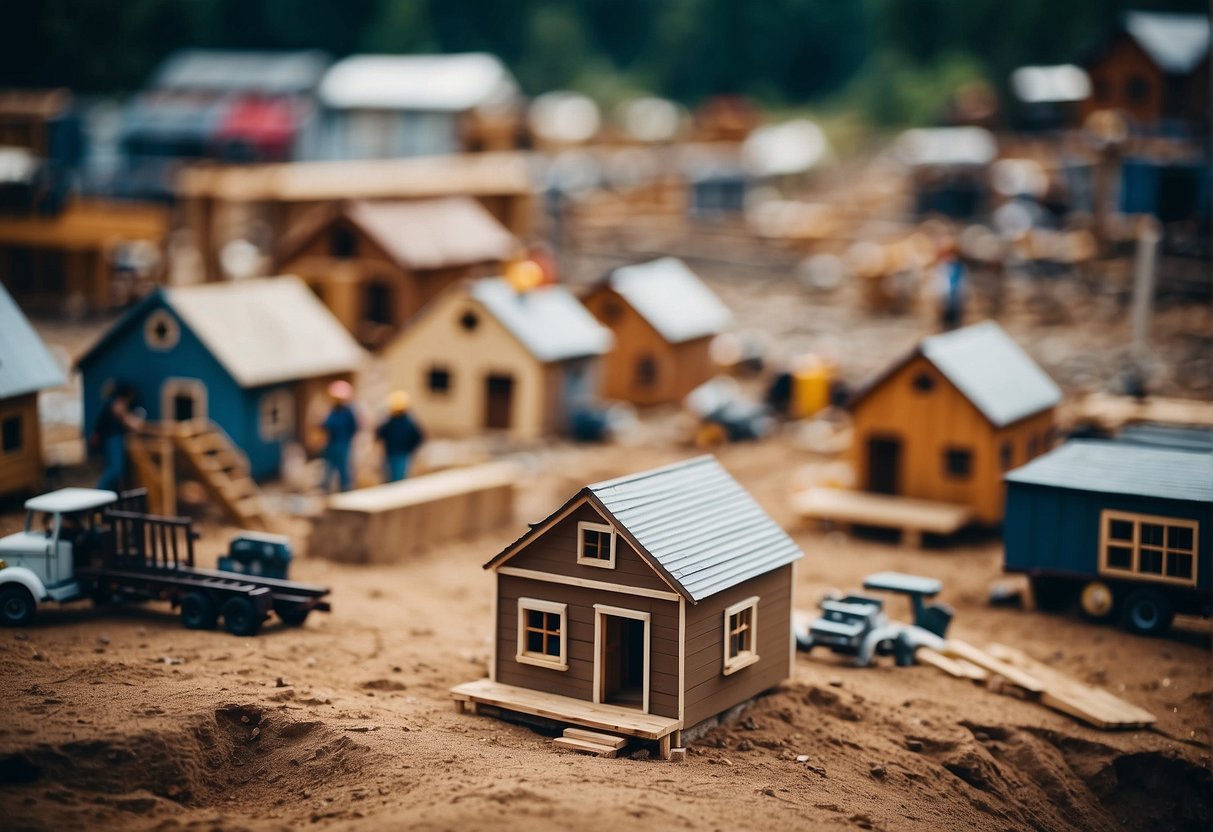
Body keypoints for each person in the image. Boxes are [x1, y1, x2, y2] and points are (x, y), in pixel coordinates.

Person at [92, 383, 144, 491]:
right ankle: (100, 492)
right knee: (115, 469)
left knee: (116, 470)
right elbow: (130, 422)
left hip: (110, 439)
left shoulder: (110, 403)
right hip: (112, 439)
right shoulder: (116, 405)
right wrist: (136, 423)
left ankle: (109, 494)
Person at [376, 390, 424, 482]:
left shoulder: (409, 422)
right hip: (390, 453)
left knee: (399, 479)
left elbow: (418, 437)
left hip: (402, 454)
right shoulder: (389, 421)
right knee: (388, 478)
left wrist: (409, 450)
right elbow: (381, 433)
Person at [320, 380, 359, 493]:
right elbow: (327, 424)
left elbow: (353, 427)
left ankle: (346, 489)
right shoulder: (333, 411)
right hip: (332, 443)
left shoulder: (348, 412)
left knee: (343, 467)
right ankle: (325, 489)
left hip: (342, 443)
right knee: (329, 467)